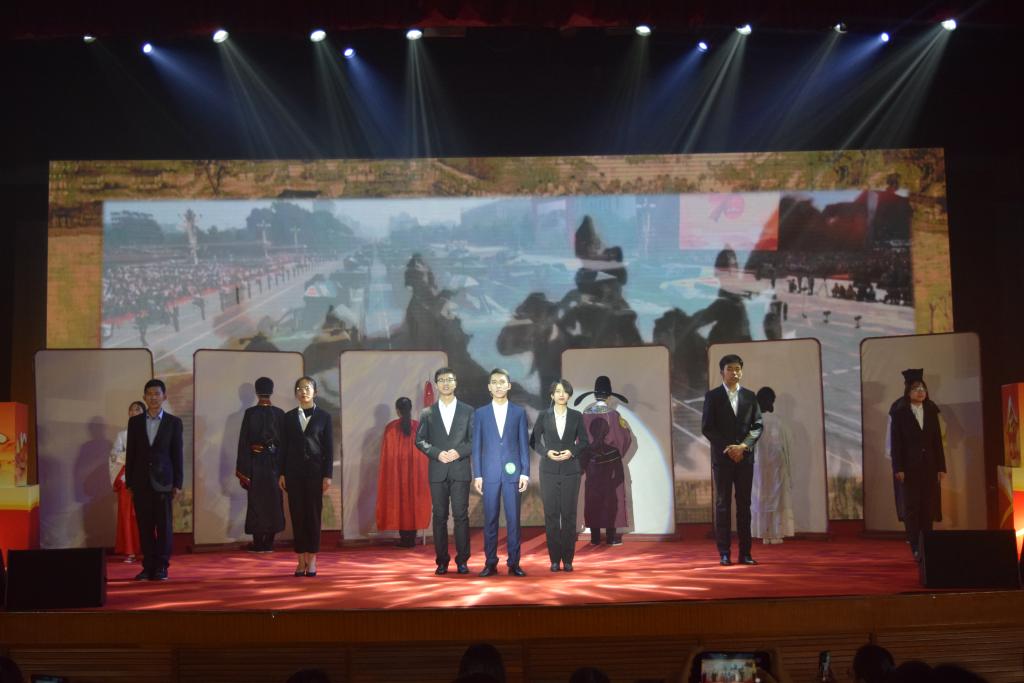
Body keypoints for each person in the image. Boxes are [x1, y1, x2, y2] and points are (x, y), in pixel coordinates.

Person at [701, 354, 763, 566]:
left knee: (744, 505)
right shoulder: (713, 396)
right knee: (723, 505)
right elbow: (708, 427)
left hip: (745, 458)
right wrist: (728, 448)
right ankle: (724, 553)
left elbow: (757, 425)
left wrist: (744, 446)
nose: (734, 373)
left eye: (737, 369)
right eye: (730, 369)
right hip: (723, 459)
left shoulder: (750, 396)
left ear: (741, 372)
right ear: (722, 372)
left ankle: (745, 553)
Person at [415, 367, 474, 575]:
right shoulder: (427, 412)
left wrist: (458, 452)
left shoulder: (468, 411)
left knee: (461, 516)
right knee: (439, 516)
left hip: (460, 470)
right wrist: (437, 453)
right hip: (437, 470)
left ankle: (462, 560)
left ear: (455, 383)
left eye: (449, 379)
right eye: (441, 380)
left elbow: (474, 439)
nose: (446, 383)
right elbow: (419, 440)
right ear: (437, 384)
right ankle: (441, 561)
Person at [472, 368, 530, 577]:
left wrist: (525, 473)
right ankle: (490, 563)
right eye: (494, 382)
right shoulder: (480, 413)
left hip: (513, 475)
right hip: (489, 474)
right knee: (490, 520)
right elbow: (476, 446)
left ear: (509, 385)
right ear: (489, 387)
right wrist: (478, 474)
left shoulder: (518, 412)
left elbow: (523, 445)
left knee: (514, 520)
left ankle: (514, 563)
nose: (498, 385)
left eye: (502, 382)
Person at [125, 378, 183, 581]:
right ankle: (147, 566)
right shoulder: (135, 423)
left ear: (164, 397)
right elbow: (131, 453)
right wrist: (129, 482)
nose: (153, 397)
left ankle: (162, 566)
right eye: (149, 394)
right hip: (140, 482)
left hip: (164, 482)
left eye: (157, 394)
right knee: (145, 527)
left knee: (164, 527)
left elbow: (177, 454)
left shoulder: (173, 422)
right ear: (144, 397)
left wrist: (178, 483)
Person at [530, 378, 588, 572]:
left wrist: (572, 451)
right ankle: (554, 559)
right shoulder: (543, 415)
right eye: (558, 391)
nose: (561, 394)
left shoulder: (576, 416)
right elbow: (534, 441)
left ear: (569, 395)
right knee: (552, 515)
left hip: (571, 470)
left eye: (564, 391)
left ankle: (568, 559)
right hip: (548, 470)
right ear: (552, 395)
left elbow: (584, 441)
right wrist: (546, 452)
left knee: (569, 515)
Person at [889, 368, 947, 561]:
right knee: (912, 507)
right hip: (908, 468)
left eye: (923, 388)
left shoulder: (931, 410)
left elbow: (937, 441)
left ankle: (927, 544)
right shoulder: (900, 412)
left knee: (928, 506)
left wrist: (941, 467)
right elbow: (896, 443)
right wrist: (898, 468)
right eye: (916, 388)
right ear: (908, 391)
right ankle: (914, 545)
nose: (920, 391)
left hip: (930, 466)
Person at [279, 376, 333, 577]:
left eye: (308, 388)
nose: (304, 391)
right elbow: (283, 448)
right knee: (297, 515)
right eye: (300, 388)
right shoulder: (288, 417)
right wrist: (281, 472)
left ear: (315, 392)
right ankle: (300, 559)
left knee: (313, 515)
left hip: (315, 474)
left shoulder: (324, 417)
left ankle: (313, 559)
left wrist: (327, 475)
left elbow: (329, 449)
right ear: (296, 393)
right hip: (293, 474)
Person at [574, 376, 631, 546]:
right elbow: (624, 439)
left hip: (592, 465)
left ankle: (595, 537)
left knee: (593, 498)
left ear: (595, 394)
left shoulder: (585, 415)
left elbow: (580, 441)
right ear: (609, 395)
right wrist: (616, 454)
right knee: (612, 499)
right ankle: (612, 537)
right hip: (611, 464)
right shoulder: (614, 415)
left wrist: (585, 461)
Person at [235, 376, 286, 553]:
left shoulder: (250, 413)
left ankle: (258, 544)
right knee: (274, 502)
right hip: (275, 465)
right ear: (271, 391)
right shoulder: (280, 413)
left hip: (256, 464)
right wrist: (283, 470)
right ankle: (269, 543)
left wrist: (244, 471)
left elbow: (243, 443)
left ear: (256, 392)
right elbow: (285, 444)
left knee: (256, 502)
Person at [376, 396, 431, 549]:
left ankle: (405, 538)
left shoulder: (391, 428)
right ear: (410, 409)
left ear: (397, 410)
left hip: (397, 474)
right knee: (413, 501)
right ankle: (411, 538)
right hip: (415, 474)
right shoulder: (418, 427)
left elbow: (387, 456)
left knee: (400, 501)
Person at [751, 387, 794, 544]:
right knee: (777, 498)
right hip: (777, 466)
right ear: (772, 402)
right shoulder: (779, 422)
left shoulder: (754, 422)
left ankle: (764, 533)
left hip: (759, 467)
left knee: (761, 497)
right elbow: (788, 445)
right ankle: (777, 533)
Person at [109, 400, 145, 562]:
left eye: (138, 409)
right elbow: (114, 456)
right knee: (127, 515)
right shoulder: (122, 435)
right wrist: (131, 457)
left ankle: (148, 549)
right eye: (132, 409)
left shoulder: (150, 433)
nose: (134, 412)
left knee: (146, 515)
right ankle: (130, 551)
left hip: (146, 479)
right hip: (127, 478)